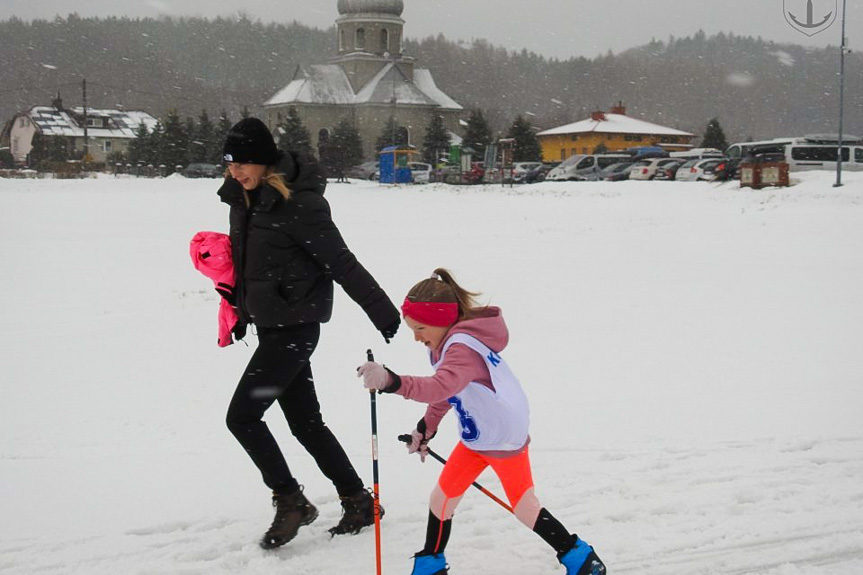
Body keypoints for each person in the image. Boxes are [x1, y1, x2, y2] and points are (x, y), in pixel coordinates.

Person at [216, 117, 401, 550]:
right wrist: (241, 310)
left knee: (242, 417)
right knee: (306, 424)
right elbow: (251, 265)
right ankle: (358, 500)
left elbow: (342, 261)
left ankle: (290, 499)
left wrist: (384, 313)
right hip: (271, 326)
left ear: (263, 162)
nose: (235, 172)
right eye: (229, 164)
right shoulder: (243, 201)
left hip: (294, 329)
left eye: (243, 163)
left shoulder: (298, 203)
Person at [357, 269, 606, 575]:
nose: (416, 337)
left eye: (420, 327)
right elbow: (449, 392)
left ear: (441, 320)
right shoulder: (445, 346)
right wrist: (426, 427)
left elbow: (440, 386)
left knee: (525, 507)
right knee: (441, 499)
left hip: (503, 439)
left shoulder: (461, 349)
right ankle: (430, 565)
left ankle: (582, 560)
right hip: (478, 436)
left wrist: (391, 381)